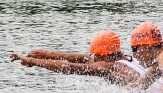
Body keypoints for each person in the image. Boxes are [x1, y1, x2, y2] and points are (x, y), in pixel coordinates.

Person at [10, 30, 144, 86]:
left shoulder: (109, 66)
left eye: (95, 55)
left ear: (104, 55)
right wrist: (48, 55)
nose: (92, 58)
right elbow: (83, 59)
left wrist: (31, 61)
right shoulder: (129, 59)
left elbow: (67, 68)